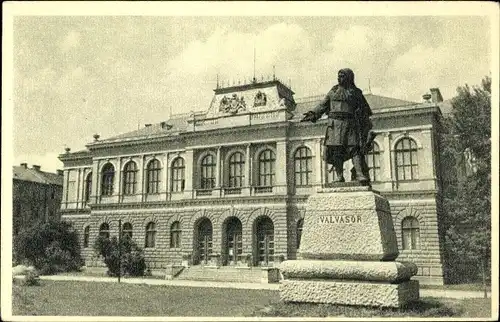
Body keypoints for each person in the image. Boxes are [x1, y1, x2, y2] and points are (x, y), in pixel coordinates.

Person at [301, 68, 374, 185]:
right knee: (336, 150)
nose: (339, 78)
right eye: (338, 76)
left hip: (350, 124)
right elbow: (322, 105)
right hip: (334, 125)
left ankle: (360, 174)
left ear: (349, 77)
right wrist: (313, 114)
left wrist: (365, 123)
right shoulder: (333, 91)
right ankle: (339, 176)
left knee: (354, 148)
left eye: (342, 76)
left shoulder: (356, 92)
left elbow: (364, 110)